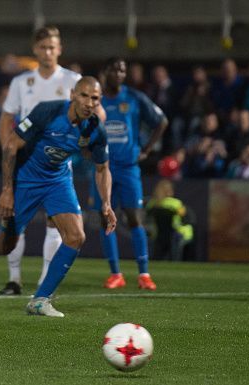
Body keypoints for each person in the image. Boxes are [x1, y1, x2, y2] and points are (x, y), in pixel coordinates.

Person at [0, 77, 116, 317]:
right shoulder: (47, 111)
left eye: (95, 98)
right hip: (25, 179)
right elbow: (10, 146)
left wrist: (107, 203)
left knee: (76, 236)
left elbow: (102, 168)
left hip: (58, 181)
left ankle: (40, 299)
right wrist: (7, 190)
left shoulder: (95, 129)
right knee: (7, 245)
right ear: (72, 95)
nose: (89, 103)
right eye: (84, 96)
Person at [0, 26, 106, 296]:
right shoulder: (22, 82)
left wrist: (93, 136)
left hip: (58, 163)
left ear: (59, 49)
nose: (48, 52)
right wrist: (9, 147)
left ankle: (43, 282)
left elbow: (98, 113)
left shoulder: (75, 80)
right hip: (26, 160)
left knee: (57, 224)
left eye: (52, 47)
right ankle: (14, 280)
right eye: (43, 47)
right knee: (16, 224)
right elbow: (7, 118)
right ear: (35, 50)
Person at [93, 58, 168, 291]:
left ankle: (144, 274)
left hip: (127, 167)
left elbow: (161, 121)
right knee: (105, 218)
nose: (119, 73)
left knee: (134, 217)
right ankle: (116, 273)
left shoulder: (134, 97)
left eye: (122, 70)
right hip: (103, 167)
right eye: (114, 69)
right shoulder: (95, 99)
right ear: (104, 72)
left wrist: (146, 150)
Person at [145, 179, 193, 261]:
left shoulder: (152, 203)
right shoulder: (176, 203)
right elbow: (185, 218)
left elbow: (147, 218)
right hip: (176, 233)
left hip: (160, 235)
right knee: (174, 254)